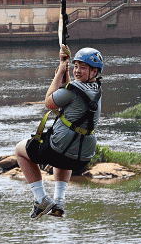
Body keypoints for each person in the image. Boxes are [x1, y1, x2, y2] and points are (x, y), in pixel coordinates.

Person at [14, 45, 104, 219]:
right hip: (81, 157)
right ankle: (59, 202)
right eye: (76, 66)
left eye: (83, 68)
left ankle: (41, 199)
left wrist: (60, 70)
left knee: (20, 150)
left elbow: (49, 102)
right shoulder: (97, 89)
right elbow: (71, 90)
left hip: (59, 148)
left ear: (95, 71)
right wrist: (65, 69)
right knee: (65, 156)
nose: (78, 71)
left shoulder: (74, 91)